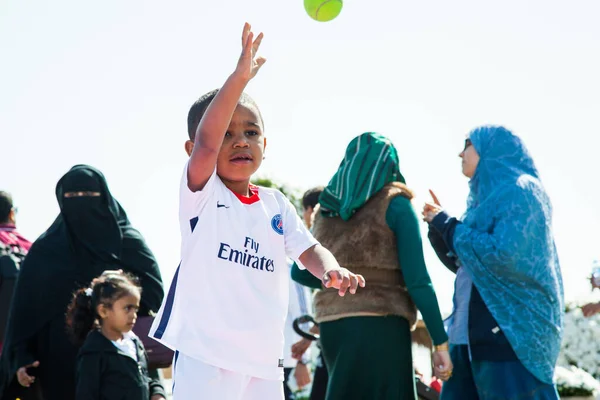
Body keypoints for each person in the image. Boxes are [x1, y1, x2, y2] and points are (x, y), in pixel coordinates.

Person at [149, 23, 365, 400]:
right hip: (207, 358)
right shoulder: (201, 194)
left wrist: (330, 268)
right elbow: (206, 143)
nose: (240, 141)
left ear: (265, 142)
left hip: (263, 364)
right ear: (194, 147)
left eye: (250, 132)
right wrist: (239, 79)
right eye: (227, 134)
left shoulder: (275, 204)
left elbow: (308, 250)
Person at [295, 132, 452, 400]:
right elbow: (418, 280)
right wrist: (440, 342)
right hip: (382, 325)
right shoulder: (396, 204)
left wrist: (338, 278)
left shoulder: (326, 209)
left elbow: (300, 273)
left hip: (333, 326)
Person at [0, 164, 165, 400]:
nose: (81, 203)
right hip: (59, 372)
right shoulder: (45, 252)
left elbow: (153, 296)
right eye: (72, 197)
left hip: (122, 365)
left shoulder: (127, 243)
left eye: (88, 196)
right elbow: (22, 317)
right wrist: (22, 359)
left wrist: (110, 294)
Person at [423, 125, 563, 399]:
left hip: (511, 341)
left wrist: (447, 225)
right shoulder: (481, 203)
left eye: (468, 144)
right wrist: (440, 230)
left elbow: (504, 256)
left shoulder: (523, 191)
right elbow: (470, 265)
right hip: (468, 339)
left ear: (491, 149)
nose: (460, 152)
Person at [66, 272, 165, 400]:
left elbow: (148, 377)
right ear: (103, 311)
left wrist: (157, 393)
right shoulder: (93, 353)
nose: (133, 315)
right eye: (127, 308)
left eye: (136, 309)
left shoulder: (134, 343)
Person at [290, 187, 328, 400]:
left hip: (332, 343)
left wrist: (303, 349)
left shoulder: (324, 246)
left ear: (312, 211)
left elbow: (333, 300)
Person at [283, 259, 312, 399]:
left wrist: (303, 360)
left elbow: (303, 316)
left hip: (282, 359)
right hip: (247, 356)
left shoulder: (290, 269)